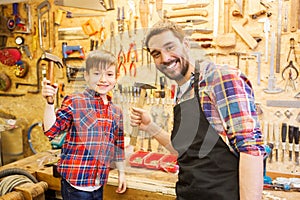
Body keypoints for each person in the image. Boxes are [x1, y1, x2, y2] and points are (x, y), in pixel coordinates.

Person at [130, 19, 266, 200]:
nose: (165, 58)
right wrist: (150, 127)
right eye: (156, 54)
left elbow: (251, 149)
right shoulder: (182, 92)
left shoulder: (220, 78)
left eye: (170, 47)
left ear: (185, 44)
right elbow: (187, 153)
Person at [42, 50, 126, 200]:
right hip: (76, 185)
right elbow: (51, 131)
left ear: (116, 78)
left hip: (99, 183)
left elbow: (118, 146)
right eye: (96, 74)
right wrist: (49, 104)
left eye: (109, 74)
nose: (103, 79)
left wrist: (122, 173)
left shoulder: (116, 112)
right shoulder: (75, 101)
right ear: (86, 75)